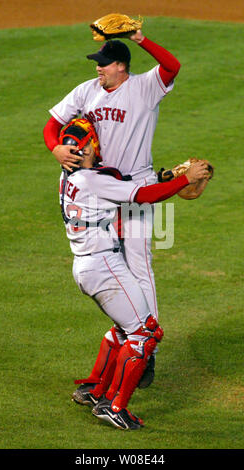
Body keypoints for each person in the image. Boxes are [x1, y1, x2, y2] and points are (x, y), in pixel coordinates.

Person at [43, 30, 181, 384]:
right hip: (100, 191)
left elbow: (172, 65)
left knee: (139, 265)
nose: (99, 70)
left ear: (122, 66)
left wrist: (140, 37)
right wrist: (55, 148)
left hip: (135, 186)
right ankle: (131, 334)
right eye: (98, 64)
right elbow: (53, 124)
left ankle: (147, 350)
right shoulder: (86, 90)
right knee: (112, 267)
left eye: (104, 65)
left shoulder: (144, 86)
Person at [58, 118, 208, 430]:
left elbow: (123, 183)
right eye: (91, 140)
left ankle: (95, 390)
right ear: (84, 149)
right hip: (104, 266)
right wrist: (185, 179)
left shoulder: (68, 177)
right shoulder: (91, 180)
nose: (96, 143)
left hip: (87, 266)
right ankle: (113, 407)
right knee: (146, 333)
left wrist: (168, 174)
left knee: (124, 329)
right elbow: (143, 196)